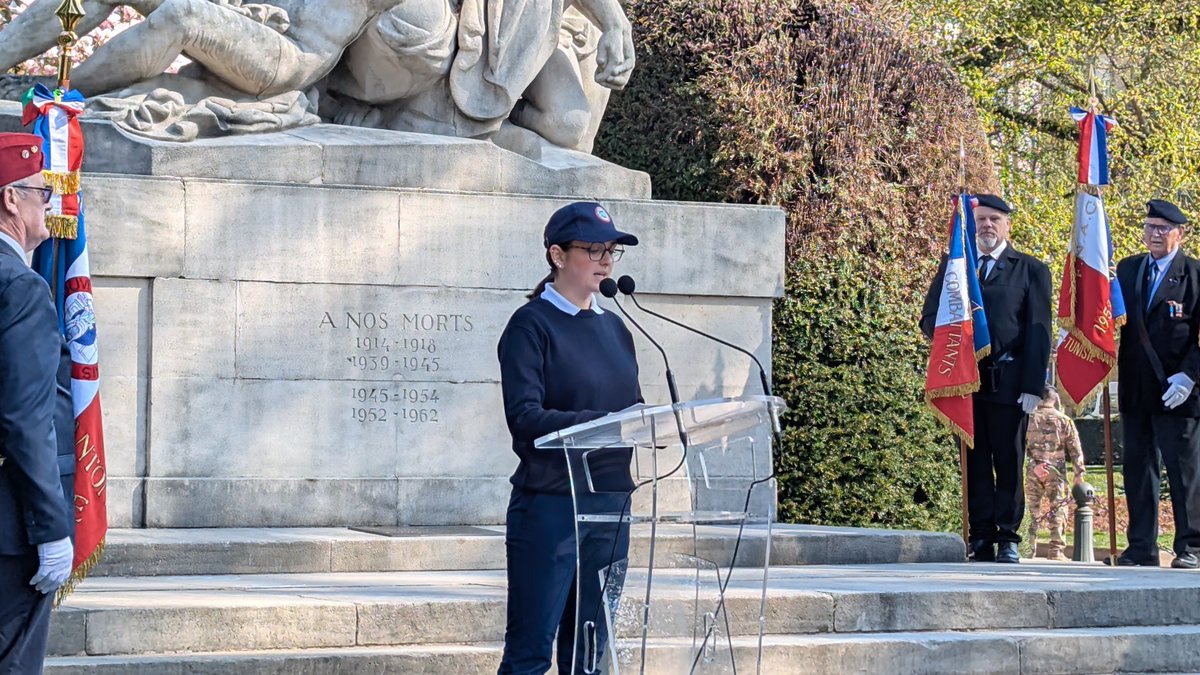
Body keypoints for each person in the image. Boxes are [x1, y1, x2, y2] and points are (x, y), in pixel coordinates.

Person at [496, 201, 640, 674]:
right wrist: (602, 421)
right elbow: (525, 418)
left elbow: (633, 412)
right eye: (594, 249)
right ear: (557, 255)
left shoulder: (616, 328)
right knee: (530, 653)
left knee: (589, 656)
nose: (606, 260)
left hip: (611, 506)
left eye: (612, 251)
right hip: (551, 507)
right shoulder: (530, 325)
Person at [921, 193, 1053, 564]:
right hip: (966, 382)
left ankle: (1007, 537)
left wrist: (1033, 385)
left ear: (1008, 225)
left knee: (1008, 462)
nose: (987, 226)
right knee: (974, 462)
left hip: (1010, 382)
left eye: (995, 219)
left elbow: (1039, 330)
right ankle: (980, 537)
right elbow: (930, 318)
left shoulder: (1030, 269)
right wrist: (949, 337)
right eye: (981, 220)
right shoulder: (956, 267)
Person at [0, 132, 75, 672]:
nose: (49, 203)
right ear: (11, 199)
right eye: (41, 192)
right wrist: (50, 530)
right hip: (11, 525)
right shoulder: (20, 288)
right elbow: (26, 420)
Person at [1110, 199, 1200, 569]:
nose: (1155, 234)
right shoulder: (1128, 269)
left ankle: (1191, 545)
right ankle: (1141, 547)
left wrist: (1191, 375)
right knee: (1137, 468)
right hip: (1136, 385)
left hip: (1178, 389)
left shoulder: (1194, 274)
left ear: (1180, 233)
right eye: (1150, 227)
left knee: (1183, 472)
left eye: (1163, 228)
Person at [1023, 385, 1085, 560]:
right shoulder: (1064, 420)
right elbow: (1075, 449)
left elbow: (1020, 446)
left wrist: (1033, 464)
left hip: (1032, 470)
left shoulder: (1027, 419)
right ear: (1055, 398)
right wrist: (1079, 473)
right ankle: (1056, 550)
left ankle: (1028, 549)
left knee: (1031, 509)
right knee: (1058, 508)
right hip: (1055, 471)